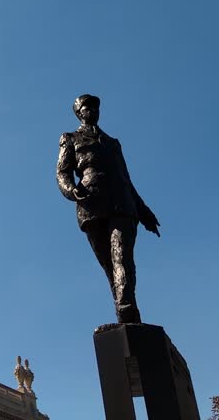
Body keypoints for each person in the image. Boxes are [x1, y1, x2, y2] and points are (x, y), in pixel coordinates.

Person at [56, 94, 160, 324]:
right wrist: (72, 190)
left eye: (95, 107)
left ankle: (126, 310)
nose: (92, 111)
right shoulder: (70, 138)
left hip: (123, 205)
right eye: (87, 107)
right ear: (79, 112)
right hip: (91, 206)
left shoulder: (113, 144)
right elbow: (62, 173)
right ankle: (130, 320)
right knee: (111, 269)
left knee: (122, 259)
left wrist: (144, 212)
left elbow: (126, 179)